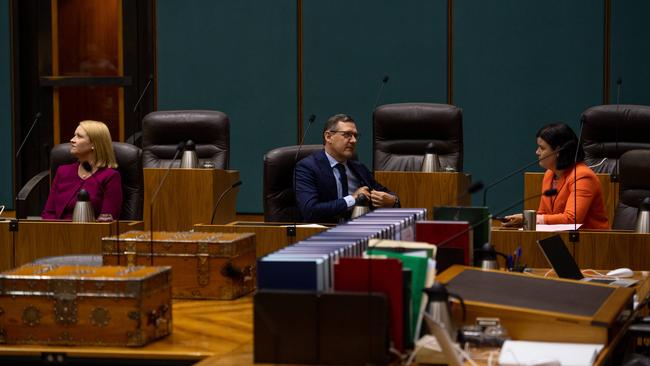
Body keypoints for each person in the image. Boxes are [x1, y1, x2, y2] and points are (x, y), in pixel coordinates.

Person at [295, 113, 399, 223]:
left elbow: (387, 194)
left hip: (359, 231)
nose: (354, 140)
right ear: (328, 137)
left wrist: (393, 201)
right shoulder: (307, 167)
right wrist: (353, 199)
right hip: (323, 233)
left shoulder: (358, 168)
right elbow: (310, 211)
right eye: (347, 135)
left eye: (355, 135)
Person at [504, 122, 608, 229]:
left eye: (542, 148)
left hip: (592, 241)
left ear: (558, 150)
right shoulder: (549, 174)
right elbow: (543, 214)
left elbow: (572, 219)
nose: (537, 152)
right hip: (561, 239)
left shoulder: (582, 176)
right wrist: (525, 221)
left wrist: (530, 219)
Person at [42, 120, 122, 220]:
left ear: (94, 143)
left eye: (79, 136)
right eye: (74, 135)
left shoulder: (110, 177)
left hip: (92, 233)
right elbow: (48, 213)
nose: (72, 140)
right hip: (59, 232)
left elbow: (107, 219)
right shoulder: (63, 172)